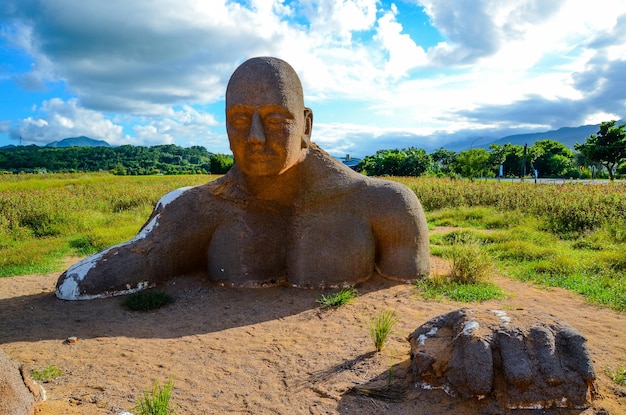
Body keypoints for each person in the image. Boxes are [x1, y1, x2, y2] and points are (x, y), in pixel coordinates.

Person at [56, 57, 429, 300]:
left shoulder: (385, 206)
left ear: (306, 125)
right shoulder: (196, 207)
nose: (254, 137)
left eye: (274, 120)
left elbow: (414, 295)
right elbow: (92, 279)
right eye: (238, 120)